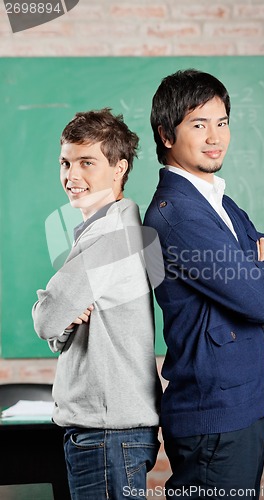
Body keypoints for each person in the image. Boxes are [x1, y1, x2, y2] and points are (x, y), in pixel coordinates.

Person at [144, 69, 264, 499]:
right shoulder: (177, 216)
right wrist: (255, 270)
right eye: (199, 124)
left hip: (241, 405)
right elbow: (263, 302)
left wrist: (257, 269)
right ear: (166, 134)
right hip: (214, 415)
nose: (215, 136)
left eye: (222, 122)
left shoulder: (218, 201)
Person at [32, 108, 163, 499]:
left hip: (107, 433)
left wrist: (57, 314)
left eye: (87, 163)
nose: (72, 176)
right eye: (66, 162)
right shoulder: (114, 225)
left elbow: (47, 318)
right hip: (112, 431)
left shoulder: (110, 234)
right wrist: (67, 319)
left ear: (118, 168)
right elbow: (61, 325)